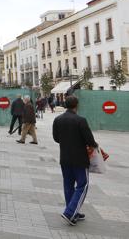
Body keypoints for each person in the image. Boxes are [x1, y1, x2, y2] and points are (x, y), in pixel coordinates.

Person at [52, 95, 98, 226]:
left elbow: (56, 138)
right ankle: (70, 212)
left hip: (65, 158)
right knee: (82, 185)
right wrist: (94, 145)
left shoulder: (58, 119)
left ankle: (73, 212)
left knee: (68, 185)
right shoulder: (81, 120)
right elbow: (89, 140)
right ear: (76, 105)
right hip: (79, 159)